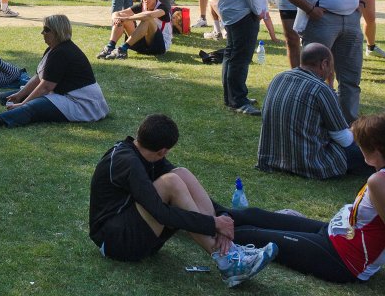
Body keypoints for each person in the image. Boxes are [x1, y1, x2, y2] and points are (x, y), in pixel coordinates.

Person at [227, 114, 385, 291]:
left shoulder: (381, 182)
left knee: (249, 233)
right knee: (253, 214)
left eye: (360, 146)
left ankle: (199, 223)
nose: (358, 150)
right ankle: (198, 208)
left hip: (341, 260)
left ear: (376, 150)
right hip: (332, 234)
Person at [88, 113, 276, 286]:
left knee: (181, 174)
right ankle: (226, 261)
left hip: (137, 235)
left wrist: (222, 218)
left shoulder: (147, 155)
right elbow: (161, 213)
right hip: (114, 242)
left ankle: (229, 251)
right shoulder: (127, 162)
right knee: (171, 182)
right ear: (163, 151)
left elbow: (187, 196)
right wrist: (212, 224)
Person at [0, 14, 108, 129]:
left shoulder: (62, 52)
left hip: (83, 104)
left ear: (57, 31)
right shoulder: (54, 49)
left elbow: (46, 87)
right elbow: (39, 78)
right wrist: (19, 95)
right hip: (68, 96)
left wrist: (23, 103)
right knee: (21, 94)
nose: (42, 33)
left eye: (46, 29)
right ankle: (0, 97)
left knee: (33, 106)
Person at [257, 43, 374, 179]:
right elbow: (343, 138)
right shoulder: (320, 89)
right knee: (372, 152)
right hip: (310, 164)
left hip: (273, 159)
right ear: (324, 63)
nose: (331, 72)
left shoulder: (279, 78)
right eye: (331, 66)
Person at [99, 0, 172, 60]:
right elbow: (117, 13)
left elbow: (148, 15)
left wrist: (127, 18)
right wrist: (116, 18)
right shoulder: (141, 5)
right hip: (142, 46)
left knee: (146, 19)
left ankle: (123, 49)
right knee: (121, 16)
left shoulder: (163, 8)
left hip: (159, 47)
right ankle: (110, 46)